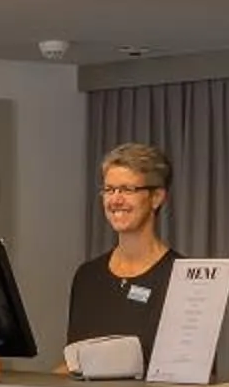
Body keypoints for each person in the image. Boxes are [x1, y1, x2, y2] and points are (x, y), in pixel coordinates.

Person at [65, 143, 177, 373]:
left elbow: (193, 374)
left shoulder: (183, 276)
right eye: (109, 189)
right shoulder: (87, 276)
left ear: (156, 197)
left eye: (127, 189)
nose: (115, 200)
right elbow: (75, 365)